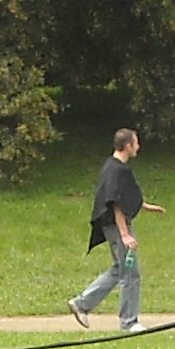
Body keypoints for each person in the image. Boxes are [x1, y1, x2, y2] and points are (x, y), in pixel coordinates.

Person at [69, 128, 159, 333]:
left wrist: (145, 206)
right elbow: (115, 203)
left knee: (120, 269)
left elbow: (123, 195)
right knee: (131, 273)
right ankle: (129, 322)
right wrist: (125, 233)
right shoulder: (118, 169)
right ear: (128, 145)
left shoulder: (112, 166)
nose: (138, 147)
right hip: (118, 226)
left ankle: (82, 304)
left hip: (114, 226)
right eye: (136, 143)